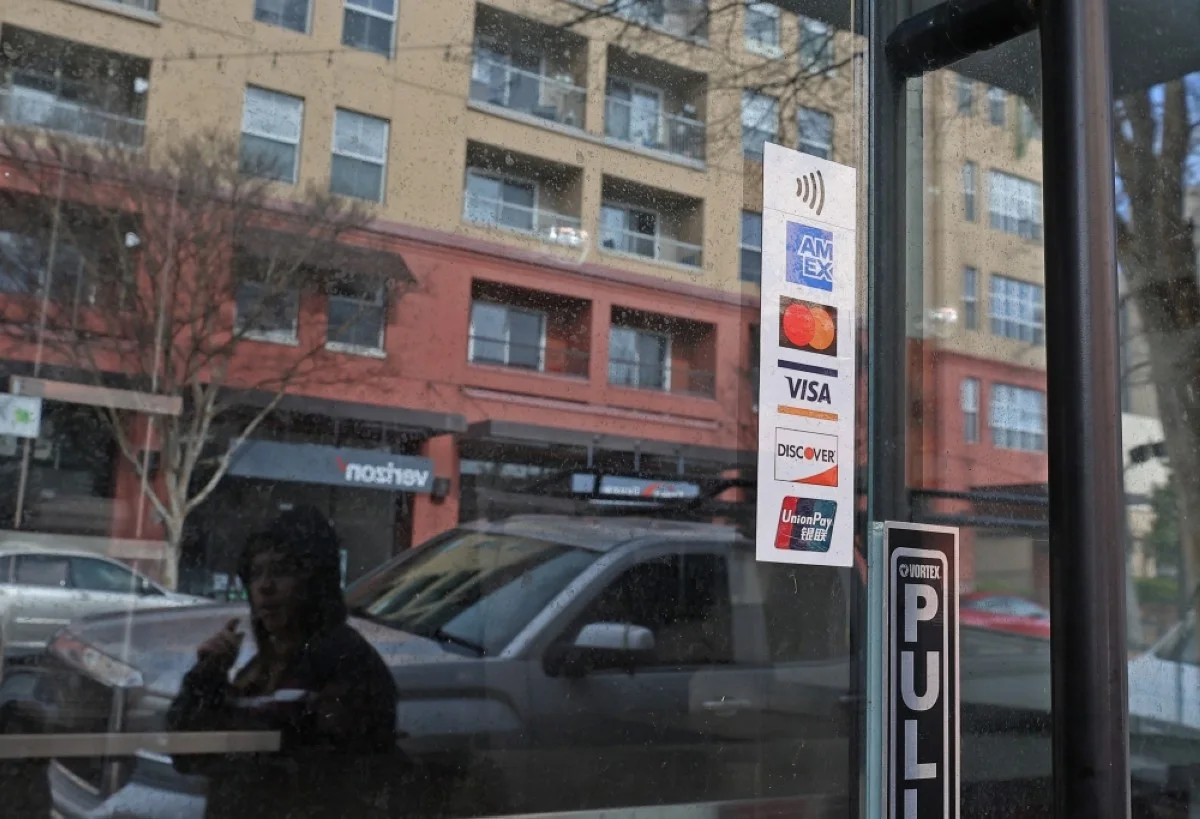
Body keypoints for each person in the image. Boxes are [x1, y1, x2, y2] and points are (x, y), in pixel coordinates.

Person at [167, 506, 400, 819]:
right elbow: (189, 756)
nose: (265, 587)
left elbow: (317, 779)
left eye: (281, 571)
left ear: (314, 580)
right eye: (256, 573)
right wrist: (207, 676)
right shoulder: (261, 664)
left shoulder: (346, 663)